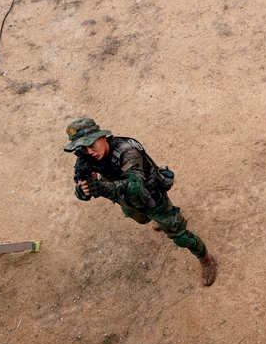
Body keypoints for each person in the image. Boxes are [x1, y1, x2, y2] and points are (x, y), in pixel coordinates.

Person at [64, 118, 217, 286]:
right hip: (127, 201)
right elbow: (83, 188)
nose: (89, 151)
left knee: (180, 236)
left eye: (92, 144)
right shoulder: (87, 158)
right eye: (82, 148)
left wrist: (101, 188)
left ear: (103, 137)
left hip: (152, 198)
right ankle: (155, 220)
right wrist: (84, 190)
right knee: (142, 219)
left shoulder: (127, 151)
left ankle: (207, 259)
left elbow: (135, 185)